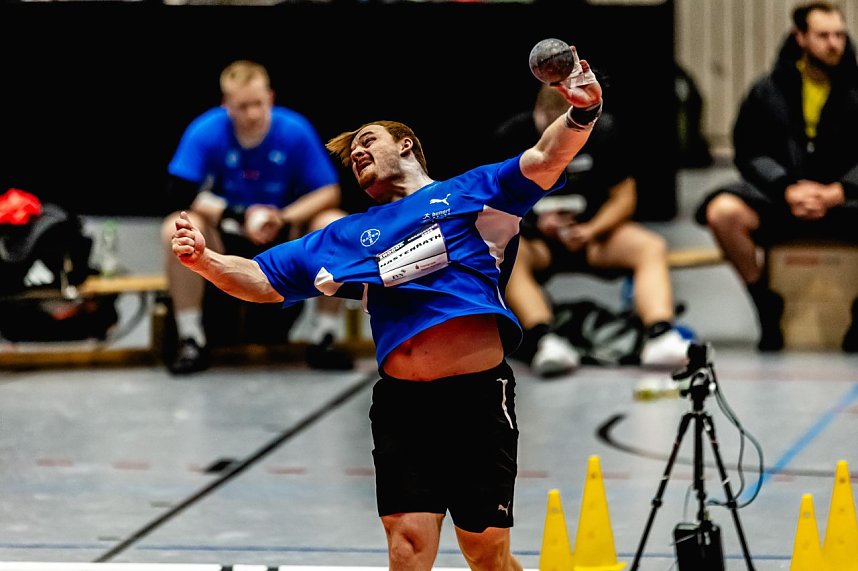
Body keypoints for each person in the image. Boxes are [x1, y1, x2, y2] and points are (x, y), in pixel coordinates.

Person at [170, 46, 603, 570]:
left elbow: (545, 157)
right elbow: (261, 279)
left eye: (367, 140)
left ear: (407, 145)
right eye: (351, 152)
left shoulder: (472, 193)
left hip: (476, 398)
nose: (356, 152)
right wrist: (207, 261)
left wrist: (581, 111)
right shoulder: (346, 236)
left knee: (485, 551)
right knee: (407, 546)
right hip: (403, 405)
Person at [160, 60, 354, 375]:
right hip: (226, 232)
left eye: (258, 104)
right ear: (226, 105)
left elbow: (329, 191)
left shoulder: (295, 130)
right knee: (176, 226)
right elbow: (178, 192)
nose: (251, 114)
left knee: (334, 223)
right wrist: (237, 213)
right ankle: (191, 338)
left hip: (284, 231)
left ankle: (325, 336)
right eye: (242, 106)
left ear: (271, 98)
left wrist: (282, 216)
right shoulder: (205, 130)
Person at [493, 84, 691, 377]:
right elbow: (493, 207)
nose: (564, 144)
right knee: (505, 254)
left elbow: (625, 197)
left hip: (593, 238)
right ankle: (545, 338)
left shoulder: (602, 132)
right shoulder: (511, 137)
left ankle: (659, 334)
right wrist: (533, 223)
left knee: (650, 246)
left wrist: (591, 230)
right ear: (541, 114)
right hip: (537, 244)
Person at [695, 1, 858, 352]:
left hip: (844, 203)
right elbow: (749, 150)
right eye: (823, 35)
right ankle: (765, 305)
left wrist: (840, 191)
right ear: (800, 37)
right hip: (784, 200)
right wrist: (785, 188)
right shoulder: (768, 89)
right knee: (723, 212)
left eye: (840, 35)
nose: (834, 44)